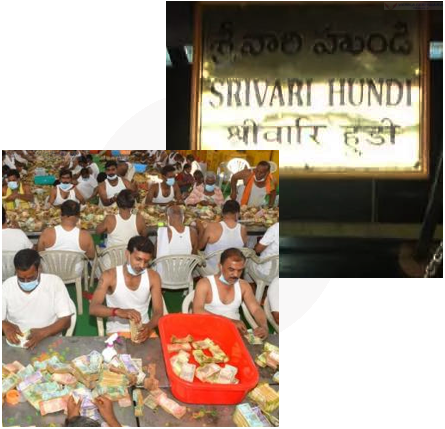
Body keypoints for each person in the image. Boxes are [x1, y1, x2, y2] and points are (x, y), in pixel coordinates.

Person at [89, 236, 163, 340]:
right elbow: (93, 308)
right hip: (117, 331)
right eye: (138, 259)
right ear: (127, 254)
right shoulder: (109, 276)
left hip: (144, 328)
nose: (142, 265)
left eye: (146, 262)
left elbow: (158, 311)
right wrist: (118, 311)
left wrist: (149, 327)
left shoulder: (153, 277)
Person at [1, 249, 73, 349]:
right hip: (17, 342)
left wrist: (43, 333)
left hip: (49, 339)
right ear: (15, 271)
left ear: (39, 269)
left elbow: (66, 321)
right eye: (21, 278)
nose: (26, 282)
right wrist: (4, 325)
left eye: (30, 278)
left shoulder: (54, 283)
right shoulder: (8, 285)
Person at [193, 248, 268, 339]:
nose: (236, 274)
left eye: (240, 270)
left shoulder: (243, 285)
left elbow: (256, 309)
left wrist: (264, 326)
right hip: (209, 332)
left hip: (235, 333)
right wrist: (229, 321)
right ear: (220, 266)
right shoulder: (205, 284)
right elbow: (197, 310)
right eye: (231, 269)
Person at [37, 200, 95, 276]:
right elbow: (91, 255)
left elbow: (40, 252)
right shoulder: (85, 235)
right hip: (74, 273)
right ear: (78, 215)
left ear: (61, 214)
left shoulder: (47, 232)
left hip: (50, 272)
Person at [197, 200, 247, 273]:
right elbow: (243, 249)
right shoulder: (243, 229)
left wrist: (201, 229)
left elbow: (199, 247)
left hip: (212, 270)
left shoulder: (212, 226)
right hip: (232, 270)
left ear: (222, 213)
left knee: (194, 257)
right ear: (237, 214)